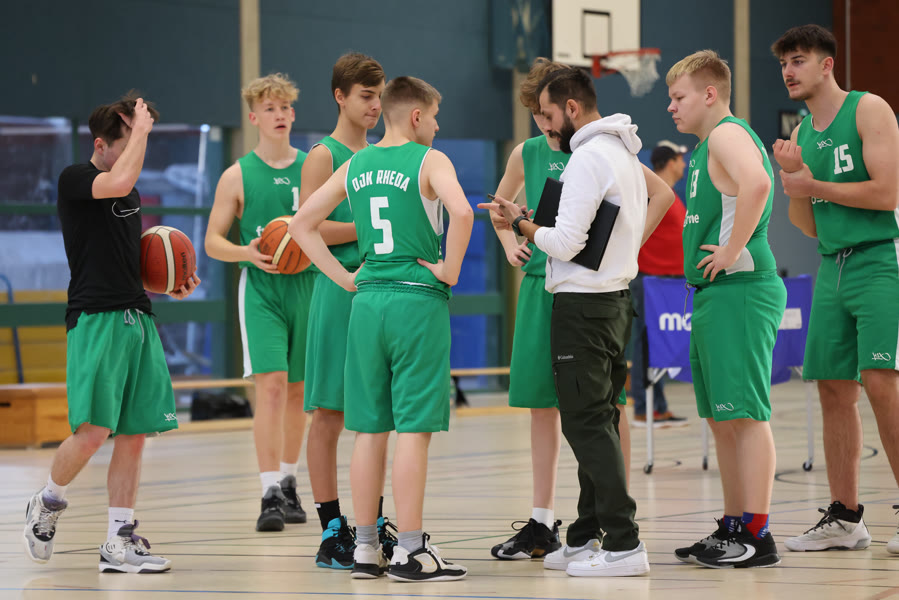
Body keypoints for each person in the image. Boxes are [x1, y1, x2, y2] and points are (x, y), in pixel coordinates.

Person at [481, 67, 674, 577]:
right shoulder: (622, 151)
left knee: (587, 424)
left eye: (547, 114)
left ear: (570, 108)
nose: (545, 125)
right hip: (612, 301)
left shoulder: (588, 157)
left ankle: (624, 543)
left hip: (584, 306)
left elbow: (565, 243)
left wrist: (521, 223)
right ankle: (585, 535)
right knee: (598, 420)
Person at [291, 75, 473, 582]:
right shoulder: (429, 160)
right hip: (416, 301)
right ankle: (411, 551)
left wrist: (344, 278)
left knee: (368, 430)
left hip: (367, 303)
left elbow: (301, 224)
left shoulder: (356, 164)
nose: (437, 126)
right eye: (434, 117)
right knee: (413, 430)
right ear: (416, 116)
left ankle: (367, 549)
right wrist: (450, 270)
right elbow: (462, 212)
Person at [24, 92, 200, 573]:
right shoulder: (75, 179)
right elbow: (119, 179)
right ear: (101, 144)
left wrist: (169, 282)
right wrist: (141, 127)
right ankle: (47, 502)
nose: (136, 153)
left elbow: (125, 259)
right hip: (96, 318)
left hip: (137, 316)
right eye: (129, 142)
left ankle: (118, 543)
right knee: (92, 432)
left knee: (136, 433)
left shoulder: (130, 191)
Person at [771, 24, 899, 555]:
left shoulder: (869, 109)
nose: (788, 71)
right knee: (831, 388)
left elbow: (887, 192)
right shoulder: (801, 134)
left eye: (798, 60)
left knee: (882, 383)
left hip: (880, 259)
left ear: (827, 64)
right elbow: (808, 225)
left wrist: (812, 183)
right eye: (784, 63)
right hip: (833, 265)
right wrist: (794, 182)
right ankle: (846, 518)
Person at [666, 50, 786, 568]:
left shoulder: (726, 135)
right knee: (722, 417)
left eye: (679, 97)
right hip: (715, 294)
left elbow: (759, 183)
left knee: (747, 415)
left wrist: (734, 249)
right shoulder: (703, 149)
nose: (671, 107)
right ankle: (734, 524)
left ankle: (757, 535)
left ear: (710, 94)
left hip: (740, 290)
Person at [205, 73, 311, 532]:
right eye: (270, 108)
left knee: (298, 391)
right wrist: (246, 252)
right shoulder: (237, 174)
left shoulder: (313, 167)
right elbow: (212, 241)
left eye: (285, 107)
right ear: (254, 118)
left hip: (308, 285)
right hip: (263, 289)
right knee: (270, 387)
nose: (280, 115)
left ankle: (289, 481)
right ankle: (269, 491)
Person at [296, 52, 388, 569]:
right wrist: (368, 227)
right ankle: (332, 530)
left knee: (374, 414)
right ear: (340, 96)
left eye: (379, 97)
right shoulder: (322, 155)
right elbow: (309, 224)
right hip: (336, 287)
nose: (375, 106)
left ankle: (371, 524)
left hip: (378, 290)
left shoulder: (381, 155)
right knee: (329, 412)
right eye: (365, 96)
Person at [629, 141, 689, 428]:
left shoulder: (671, 196)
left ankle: (659, 406)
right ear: (671, 161)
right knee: (645, 344)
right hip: (650, 281)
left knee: (661, 346)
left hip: (671, 282)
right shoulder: (650, 194)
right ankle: (644, 408)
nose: (684, 163)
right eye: (680, 158)